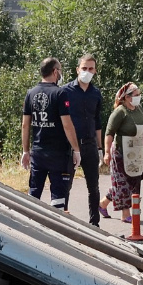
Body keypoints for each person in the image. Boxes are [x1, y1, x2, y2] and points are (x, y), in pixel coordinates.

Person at [21, 58, 80, 211]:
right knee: (58, 195)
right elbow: (67, 125)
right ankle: (57, 229)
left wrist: (25, 151)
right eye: (59, 70)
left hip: (38, 152)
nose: (60, 73)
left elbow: (25, 125)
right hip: (58, 154)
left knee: (34, 193)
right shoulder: (60, 94)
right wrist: (76, 149)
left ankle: (29, 223)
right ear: (55, 71)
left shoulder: (30, 93)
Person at [62, 54, 105, 225]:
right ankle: (62, 220)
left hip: (90, 145)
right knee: (66, 185)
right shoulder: (65, 91)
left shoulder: (96, 93)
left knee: (93, 187)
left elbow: (98, 122)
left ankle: (95, 223)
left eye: (91, 69)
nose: (87, 72)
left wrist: (100, 148)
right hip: (71, 146)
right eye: (84, 68)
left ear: (95, 71)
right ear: (77, 69)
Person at [104, 82, 143, 224]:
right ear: (127, 97)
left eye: (139, 94)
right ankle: (125, 214)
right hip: (121, 153)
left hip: (137, 153)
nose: (138, 97)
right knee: (123, 184)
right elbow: (109, 133)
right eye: (136, 95)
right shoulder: (120, 112)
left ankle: (102, 204)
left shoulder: (139, 109)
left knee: (134, 182)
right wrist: (106, 153)